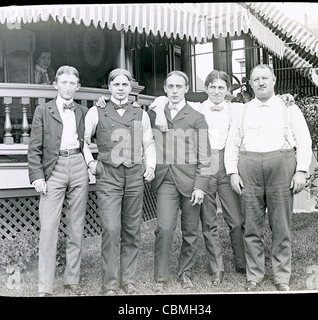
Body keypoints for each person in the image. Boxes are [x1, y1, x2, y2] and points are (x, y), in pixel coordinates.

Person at [149, 70, 247, 286]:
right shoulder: (178, 110)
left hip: (212, 170)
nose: (217, 91)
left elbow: (204, 155)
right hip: (183, 172)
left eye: (221, 87)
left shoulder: (220, 112)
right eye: (212, 87)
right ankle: (171, 275)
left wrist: (284, 99)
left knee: (218, 224)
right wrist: (157, 109)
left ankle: (234, 265)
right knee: (185, 224)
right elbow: (158, 102)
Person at [224, 64, 312, 291]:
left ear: (274, 80)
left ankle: (282, 277)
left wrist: (301, 169)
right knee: (252, 225)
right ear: (250, 84)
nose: (261, 82)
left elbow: (304, 140)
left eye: (265, 78)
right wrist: (232, 172)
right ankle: (254, 274)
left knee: (280, 226)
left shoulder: (289, 108)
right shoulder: (242, 110)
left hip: (281, 167)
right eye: (256, 79)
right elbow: (232, 144)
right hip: (249, 169)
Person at [83, 68, 156, 295]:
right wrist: (90, 163)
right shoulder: (96, 112)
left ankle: (129, 280)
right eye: (117, 85)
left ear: (130, 88)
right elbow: (83, 142)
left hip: (134, 176)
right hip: (109, 176)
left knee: (132, 230)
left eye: (125, 85)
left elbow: (149, 143)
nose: (121, 89)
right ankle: (110, 284)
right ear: (110, 87)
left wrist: (151, 165)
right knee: (112, 229)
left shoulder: (140, 113)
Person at [148, 71, 211, 293]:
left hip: (191, 181)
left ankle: (186, 273)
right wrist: (158, 108)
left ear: (186, 89)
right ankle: (160, 277)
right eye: (170, 87)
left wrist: (200, 186)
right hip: (166, 179)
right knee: (164, 228)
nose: (175, 91)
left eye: (179, 87)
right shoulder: (156, 112)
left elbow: (205, 156)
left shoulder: (196, 117)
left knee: (190, 231)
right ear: (165, 89)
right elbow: (146, 106)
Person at [28, 65, 89, 297]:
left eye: (73, 83)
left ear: (78, 87)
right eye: (63, 82)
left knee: (76, 225)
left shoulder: (82, 111)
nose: (68, 87)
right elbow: (34, 148)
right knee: (49, 228)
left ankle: (72, 281)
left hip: (78, 165)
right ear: (55, 85)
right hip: (53, 169)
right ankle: (45, 287)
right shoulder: (42, 111)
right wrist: (37, 176)